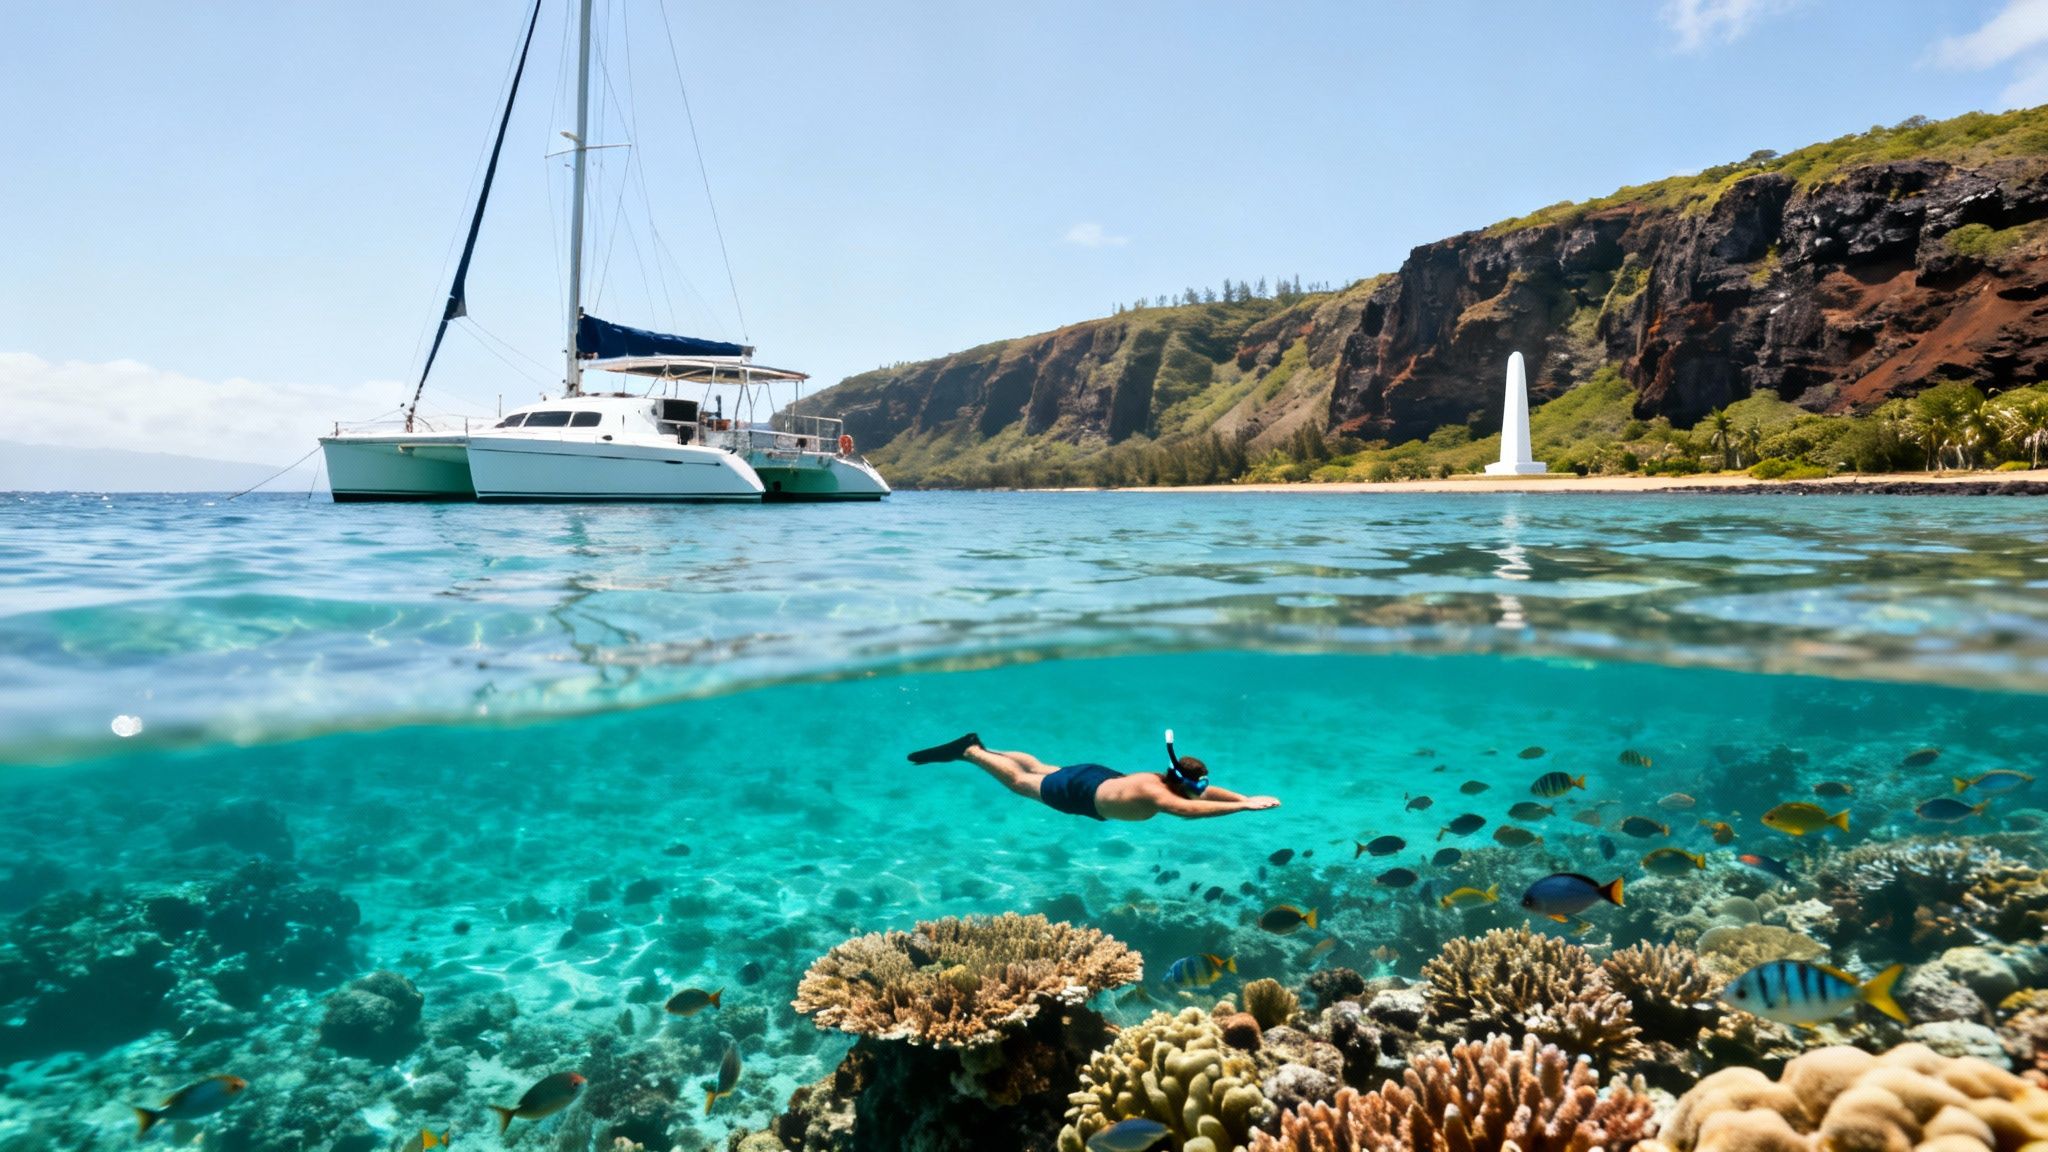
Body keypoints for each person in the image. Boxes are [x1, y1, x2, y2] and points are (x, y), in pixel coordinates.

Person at [906, 731, 1279, 821]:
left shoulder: (1161, 779)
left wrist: (1244, 796)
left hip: (1097, 775)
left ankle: (985, 748)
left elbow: (1204, 792)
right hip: (1081, 793)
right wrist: (1243, 808)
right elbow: (1189, 811)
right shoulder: (1160, 797)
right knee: (1023, 783)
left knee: (1037, 766)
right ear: (1181, 781)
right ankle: (971, 752)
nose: (1201, 791)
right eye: (1196, 785)